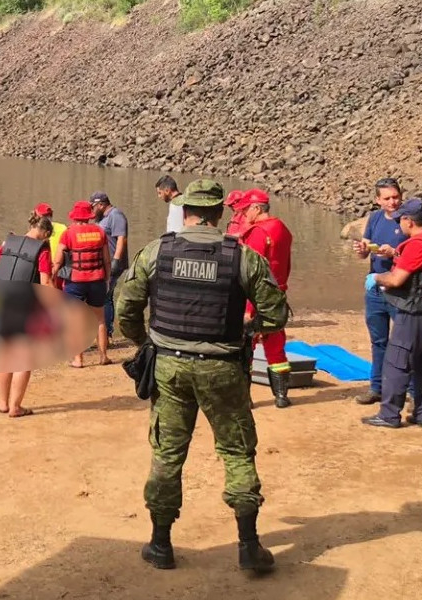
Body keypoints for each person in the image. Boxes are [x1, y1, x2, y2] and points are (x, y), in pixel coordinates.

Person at [116, 179, 289, 572]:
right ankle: (248, 547)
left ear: (187, 212)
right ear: (218, 215)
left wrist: (145, 340)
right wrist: (247, 331)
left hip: (169, 367)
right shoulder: (242, 257)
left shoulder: (157, 251)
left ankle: (160, 545)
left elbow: (126, 305)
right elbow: (275, 313)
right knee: (237, 452)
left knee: (167, 454)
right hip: (223, 367)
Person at [362, 198, 422, 428]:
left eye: (401, 219)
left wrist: (376, 278)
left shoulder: (417, 245)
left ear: (409, 222)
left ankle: (389, 414)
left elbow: (396, 279)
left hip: (415, 313)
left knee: (396, 362)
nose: (399, 223)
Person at [352, 177, 413, 405]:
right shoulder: (375, 218)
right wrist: (361, 249)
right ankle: (376, 388)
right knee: (378, 341)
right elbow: (364, 254)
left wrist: (394, 253)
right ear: (378, 200)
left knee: (405, 342)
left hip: (400, 289)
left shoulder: (408, 221)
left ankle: (413, 390)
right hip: (375, 289)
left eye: (395, 197)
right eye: (387, 198)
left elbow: (416, 253)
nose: (393, 202)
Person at [231, 188, 294, 408]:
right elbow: (285, 266)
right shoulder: (283, 229)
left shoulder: (258, 233)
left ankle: (244, 398)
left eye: (246, 210)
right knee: (276, 345)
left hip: (256, 299)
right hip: (278, 295)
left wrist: (248, 308)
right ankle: (281, 396)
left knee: (245, 347)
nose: (244, 215)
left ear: (257, 208)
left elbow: (250, 273)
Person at [0, 212, 55, 417]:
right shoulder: (42, 251)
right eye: (47, 236)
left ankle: (2, 402)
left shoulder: (7, 242)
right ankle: (16, 407)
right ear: (44, 232)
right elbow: (45, 283)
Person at [53, 200, 111, 367]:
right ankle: (103, 356)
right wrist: (107, 278)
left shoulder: (69, 233)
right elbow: (106, 260)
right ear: (89, 216)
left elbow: (57, 261)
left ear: (75, 216)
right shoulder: (100, 232)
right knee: (100, 319)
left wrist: (52, 277)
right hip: (97, 280)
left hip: (75, 281)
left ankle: (78, 359)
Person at [90, 191, 128, 339]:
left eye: (93, 206)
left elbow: (121, 239)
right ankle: (104, 332)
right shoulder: (101, 218)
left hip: (112, 263)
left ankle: (106, 333)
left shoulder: (115, 215)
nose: (92, 210)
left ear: (101, 204)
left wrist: (116, 261)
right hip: (102, 263)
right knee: (106, 296)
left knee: (104, 297)